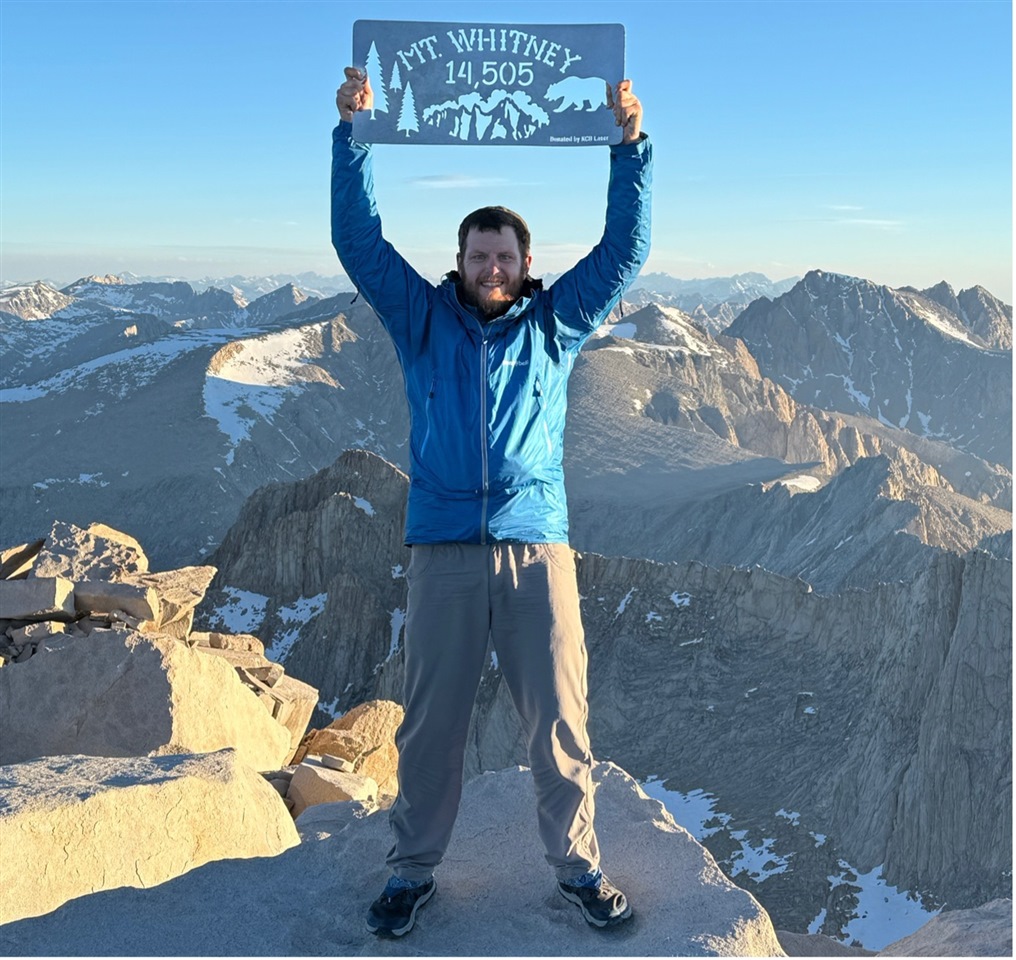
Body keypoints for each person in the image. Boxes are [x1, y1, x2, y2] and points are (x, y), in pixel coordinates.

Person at [332, 65, 652, 937]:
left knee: (557, 719)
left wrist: (631, 148)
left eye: (505, 256)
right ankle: (412, 871)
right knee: (430, 727)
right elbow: (359, 244)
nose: (492, 268)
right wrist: (353, 136)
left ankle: (578, 869)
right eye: (479, 256)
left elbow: (624, 250)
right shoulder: (422, 319)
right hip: (440, 549)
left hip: (534, 546)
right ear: (461, 263)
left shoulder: (557, 324)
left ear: (525, 263)